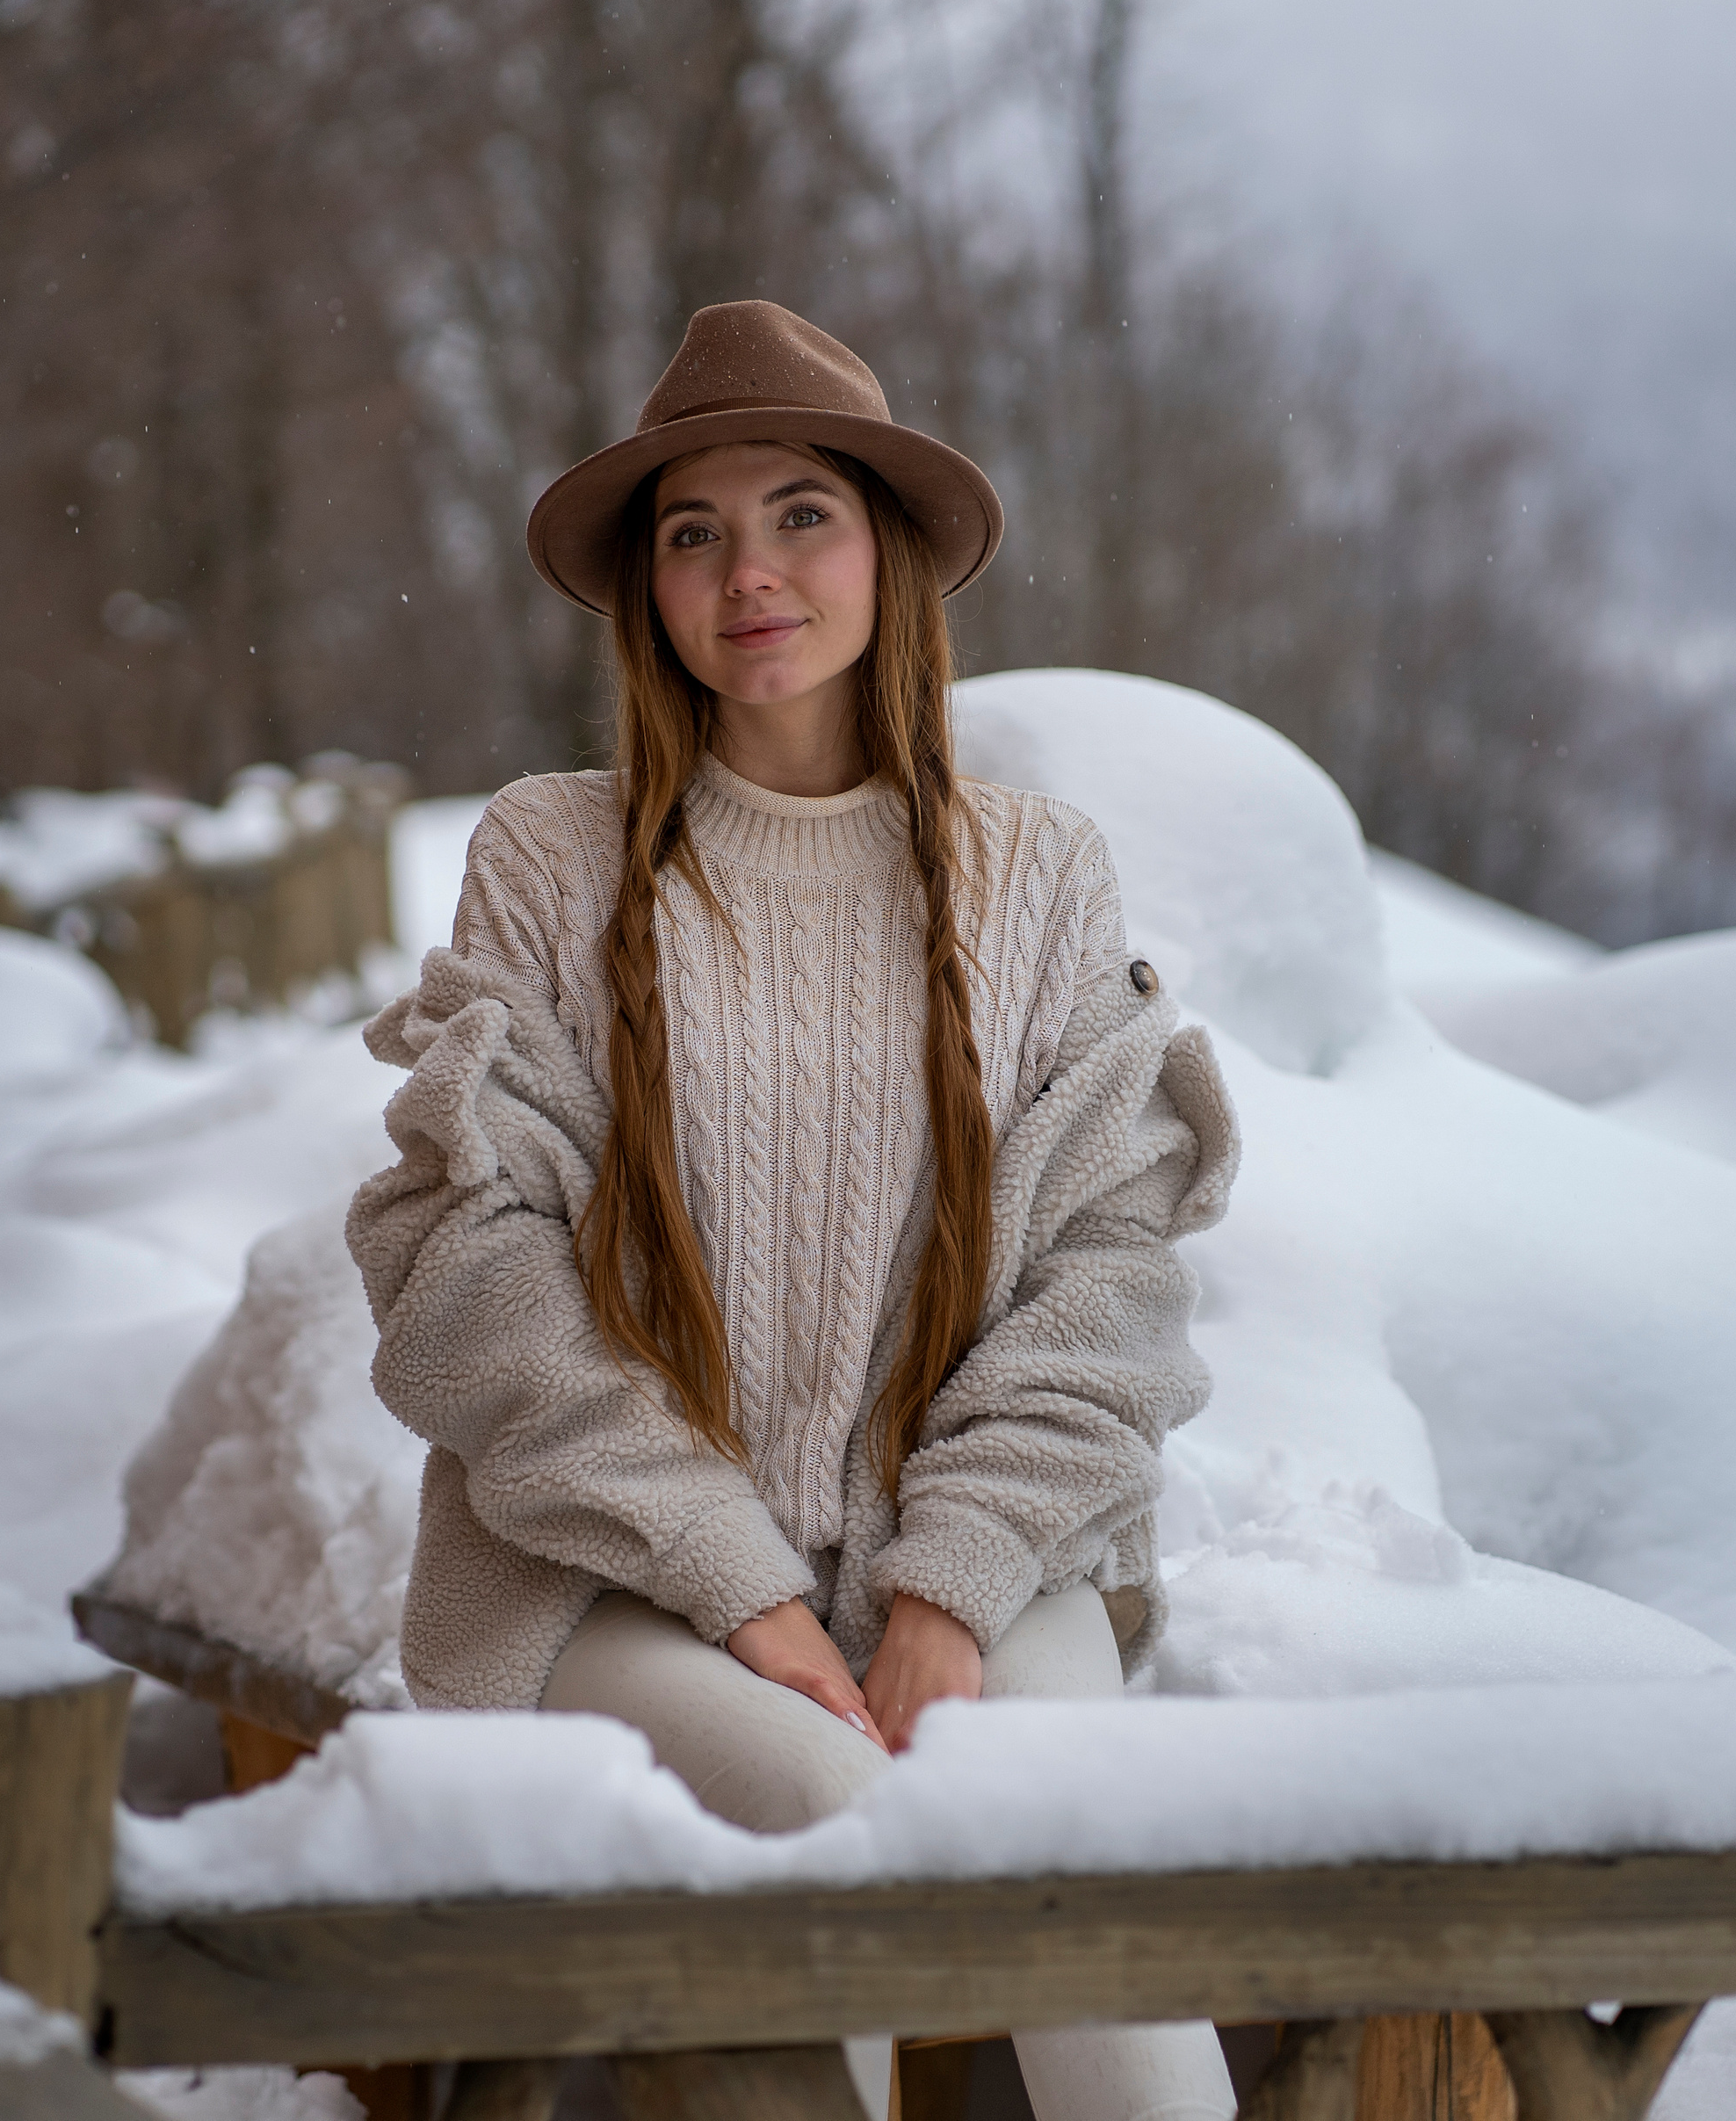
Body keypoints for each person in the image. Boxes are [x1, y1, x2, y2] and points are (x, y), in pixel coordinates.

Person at [348, 302, 1241, 2121]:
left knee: (1097, 1944)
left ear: (887, 548)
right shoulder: (551, 852)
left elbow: (1107, 1271)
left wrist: (951, 1576)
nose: (745, 569)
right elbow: (467, 1269)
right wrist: (736, 1580)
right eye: (692, 531)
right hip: (613, 1579)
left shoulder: (1030, 870)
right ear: (647, 588)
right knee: (834, 1845)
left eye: (799, 512)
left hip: (981, 1563)